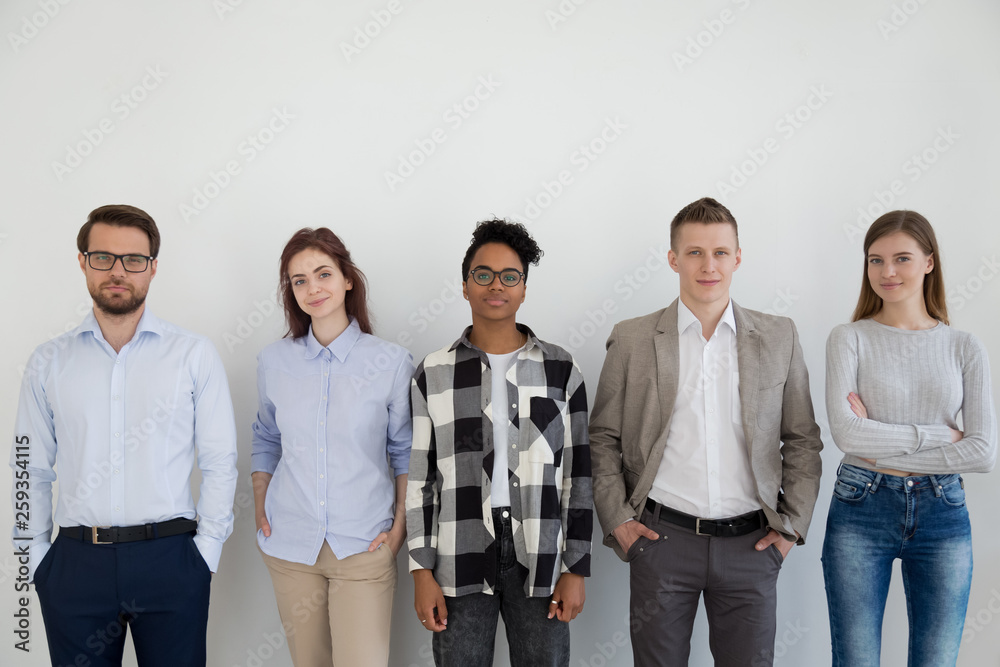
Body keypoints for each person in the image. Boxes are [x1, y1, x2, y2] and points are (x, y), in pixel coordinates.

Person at [589, 197, 824, 667]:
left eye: (720, 252)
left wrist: (790, 528)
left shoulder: (779, 336)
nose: (708, 265)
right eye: (694, 252)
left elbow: (801, 437)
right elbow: (603, 439)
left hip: (753, 547)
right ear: (674, 259)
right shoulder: (633, 338)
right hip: (661, 543)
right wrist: (620, 523)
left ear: (738, 257)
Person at [10, 204, 238, 667]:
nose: (118, 271)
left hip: (172, 562)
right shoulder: (48, 362)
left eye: (134, 259)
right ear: (82, 261)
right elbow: (27, 467)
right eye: (103, 257)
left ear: (153, 268)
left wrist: (205, 555)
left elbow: (220, 461)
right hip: (75, 565)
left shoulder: (193, 355)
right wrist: (34, 559)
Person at [406, 219, 592, 667]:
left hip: (542, 555)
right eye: (483, 274)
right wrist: (421, 571)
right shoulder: (433, 372)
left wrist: (576, 567)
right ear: (466, 285)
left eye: (510, 276)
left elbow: (579, 475)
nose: (497, 285)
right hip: (458, 553)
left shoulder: (560, 370)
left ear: (524, 288)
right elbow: (420, 480)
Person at [822, 210, 996, 667]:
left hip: (943, 512)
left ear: (929, 262)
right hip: (861, 507)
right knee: (855, 659)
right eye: (875, 261)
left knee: (936, 661)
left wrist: (876, 437)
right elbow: (845, 433)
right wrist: (941, 435)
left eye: (901, 258)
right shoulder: (849, 338)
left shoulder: (964, 346)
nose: (887, 272)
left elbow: (982, 451)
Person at [250, 227, 413, 667]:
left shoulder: (391, 362)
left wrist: (399, 527)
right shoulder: (274, 361)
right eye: (299, 280)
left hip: (363, 545)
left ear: (347, 280)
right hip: (289, 545)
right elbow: (266, 435)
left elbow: (404, 451)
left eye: (323, 274)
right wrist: (261, 501)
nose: (312, 288)